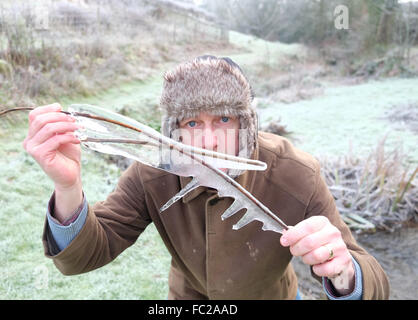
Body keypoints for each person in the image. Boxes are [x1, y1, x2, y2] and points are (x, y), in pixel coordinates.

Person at [22, 55, 389, 300]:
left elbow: (373, 284)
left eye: (224, 120)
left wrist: (344, 272)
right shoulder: (153, 172)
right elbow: (86, 256)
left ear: (247, 122)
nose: (209, 140)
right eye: (193, 122)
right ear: (174, 128)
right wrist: (67, 187)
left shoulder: (296, 173)